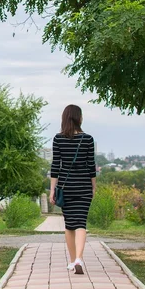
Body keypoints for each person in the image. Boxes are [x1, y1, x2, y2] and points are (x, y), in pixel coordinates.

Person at [49, 104, 96, 275]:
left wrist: (52, 190)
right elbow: (91, 166)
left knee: (69, 225)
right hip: (83, 186)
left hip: (66, 187)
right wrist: (93, 187)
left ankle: (72, 260)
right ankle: (79, 258)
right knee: (81, 223)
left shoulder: (58, 139)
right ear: (79, 118)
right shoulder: (88, 139)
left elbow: (55, 166)